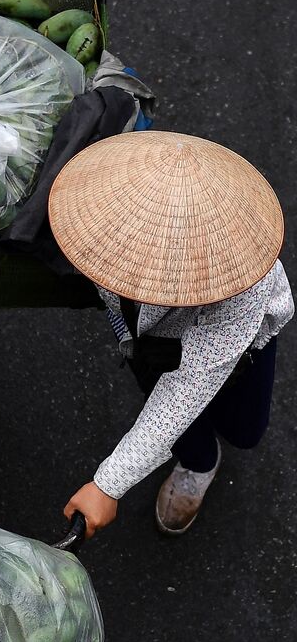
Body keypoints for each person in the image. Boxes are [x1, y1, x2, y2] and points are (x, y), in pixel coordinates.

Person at [47, 131, 294, 537]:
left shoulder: (244, 285)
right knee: (184, 430)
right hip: (149, 340)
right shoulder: (93, 211)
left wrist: (108, 484)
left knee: (243, 430)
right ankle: (199, 464)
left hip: (242, 344)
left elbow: (185, 392)